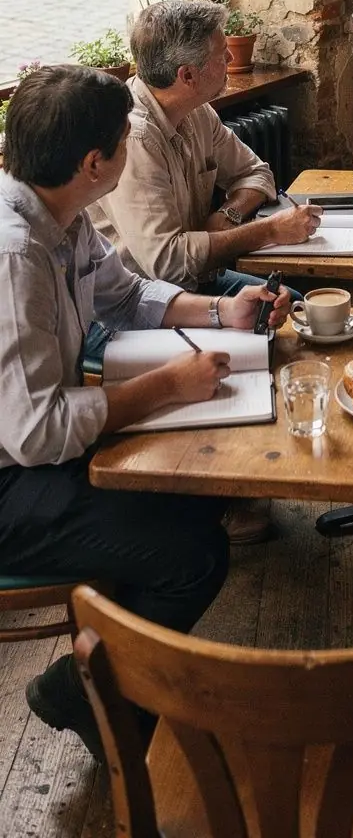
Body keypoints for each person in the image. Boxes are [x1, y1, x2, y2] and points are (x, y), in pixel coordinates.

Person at [0, 66, 291, 763]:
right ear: (94, 163)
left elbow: (128, 296)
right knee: (192, 555)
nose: (129, 155)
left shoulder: (58, 215)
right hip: (10, 480)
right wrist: (165, 386)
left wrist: (225, 311)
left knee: (193, 507)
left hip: (29, 457)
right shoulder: (16, 254)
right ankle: (82, 695)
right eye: (123, 144)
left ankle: (117, 692)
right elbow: (34, 432)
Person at [91, 0, 321, 297]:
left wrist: (228, 216)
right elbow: (167, 263)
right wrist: (270, 230)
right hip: (145, 301)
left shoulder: (195, 110)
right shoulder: (135, 138)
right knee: (291, 315)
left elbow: (257, 173)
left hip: (196, 281)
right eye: (220, 53)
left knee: (293, 305)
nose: (229, 56)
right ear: (187, 76)